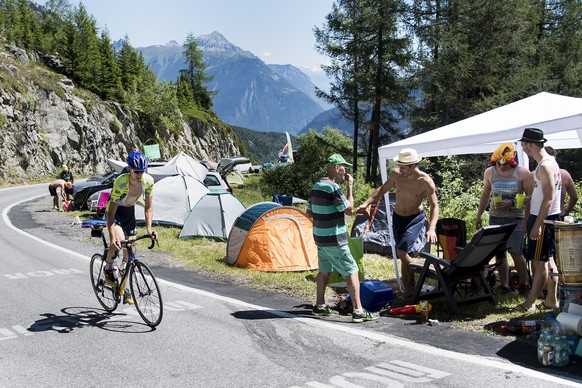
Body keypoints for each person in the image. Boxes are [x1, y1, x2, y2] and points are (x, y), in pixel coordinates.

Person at [356, 148, 439, 302]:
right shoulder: (396, 175)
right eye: (399, 165)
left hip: (415, 219)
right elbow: (381, 190)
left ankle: (428, 272)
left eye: (403, 166)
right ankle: (409, 292)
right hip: (398, 218)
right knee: (405, 253)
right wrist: (366, 204)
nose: (400, 169)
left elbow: (434, 206)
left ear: (413, 165)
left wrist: (432, 227)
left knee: (401, 251)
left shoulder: (425, 181)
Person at [306, 154, 379, 323]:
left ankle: (320, 306)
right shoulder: (332, 187)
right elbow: (348, 208)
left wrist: (324, 218)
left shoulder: (316, 185)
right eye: (344, 167)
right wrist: (350, 186)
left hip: (320, 237)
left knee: (324, 271)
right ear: (337, 168)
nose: (345, 171)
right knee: (351, 270)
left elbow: (309, 212)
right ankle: (358, 311)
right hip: (334, 238)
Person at [513, 128, 561, 313]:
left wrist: (538, 224)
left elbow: (549, 199)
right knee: (548, 260)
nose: (523, 149)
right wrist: (527, 201)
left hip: (544, 219)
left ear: (531, 145)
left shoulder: (546, 165)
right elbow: (543, 195)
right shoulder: (547, 162)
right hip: (542, 216)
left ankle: (529, 302)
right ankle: (551, 299)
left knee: (539, 262)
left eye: (524, 145)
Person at [475, 143, 533, 295]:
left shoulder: (522, 173)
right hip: (496, 217)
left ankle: (523, 284)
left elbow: (531, 197)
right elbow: (486, 194)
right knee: (499, 252)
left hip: (517, 218)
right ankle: (504, 285)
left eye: (505, 164)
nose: (501, 167)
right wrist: (479, 214)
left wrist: (515, 205)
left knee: (516, 252)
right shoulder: (490, 172)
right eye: (498, 164)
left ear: (511, 161)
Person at [104, 151, 157, 304]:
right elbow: (111, 212)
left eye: (142, 170)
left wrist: (149, 229)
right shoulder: (121, 182)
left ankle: (123, 287)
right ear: (129, 169)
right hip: (116, 214)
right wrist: (112, 237)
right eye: (136, 171)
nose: (140, 174)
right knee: (120, 242)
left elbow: (148, 208)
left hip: (129, 213)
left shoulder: (148, 181)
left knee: (130, 252)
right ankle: (108, 267)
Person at [545, 146, 578, 217]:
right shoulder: (564, 174)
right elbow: (574, 197)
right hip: (560, 213)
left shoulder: (535, 174)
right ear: (555, 157)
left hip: (541, 215)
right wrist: (567, 210)